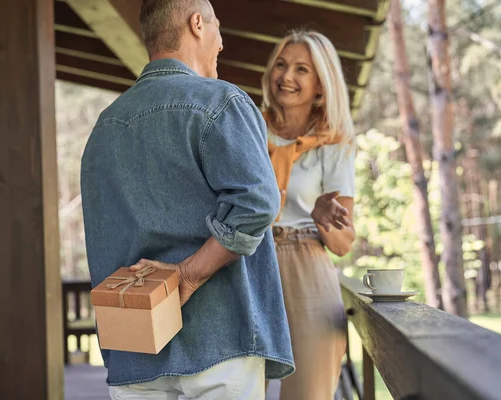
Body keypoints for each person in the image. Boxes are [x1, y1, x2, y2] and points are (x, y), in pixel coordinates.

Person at [80, 0, 294, 398]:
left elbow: (100, 239)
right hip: (221, 342)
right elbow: (258, 203)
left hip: (134, 349)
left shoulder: (103, 129)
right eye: (216, 27)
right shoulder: (220, 102)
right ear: (197, 24)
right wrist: (189, 274)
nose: (221, 43)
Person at [261, 30, 357, 399]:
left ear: (321, 85)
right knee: (233, 387)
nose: (286, 77)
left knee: (309, 393)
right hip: (249, 260)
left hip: (306, 261)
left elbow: (344, 243)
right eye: (281, 66)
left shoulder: (334, 143)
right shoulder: (248, 127)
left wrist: (322, 217)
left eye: (302, 69)